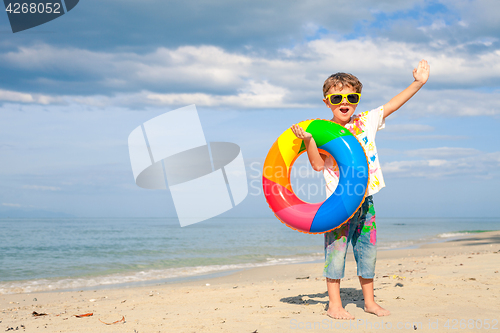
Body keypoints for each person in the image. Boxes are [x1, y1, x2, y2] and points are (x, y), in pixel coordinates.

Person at [291, 60, 430, 320]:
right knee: (336, 253)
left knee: (368, 251)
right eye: (337, 97)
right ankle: (334, 305)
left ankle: (369, 302)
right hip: (338, 204)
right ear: (326, 102)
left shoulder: (366, 122)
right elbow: (318, 166)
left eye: (351, 97)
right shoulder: (323, 132)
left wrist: (418, 82)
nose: (344, 102)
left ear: (357, 99)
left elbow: (392, 104)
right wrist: (309, 140)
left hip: (366, 201)